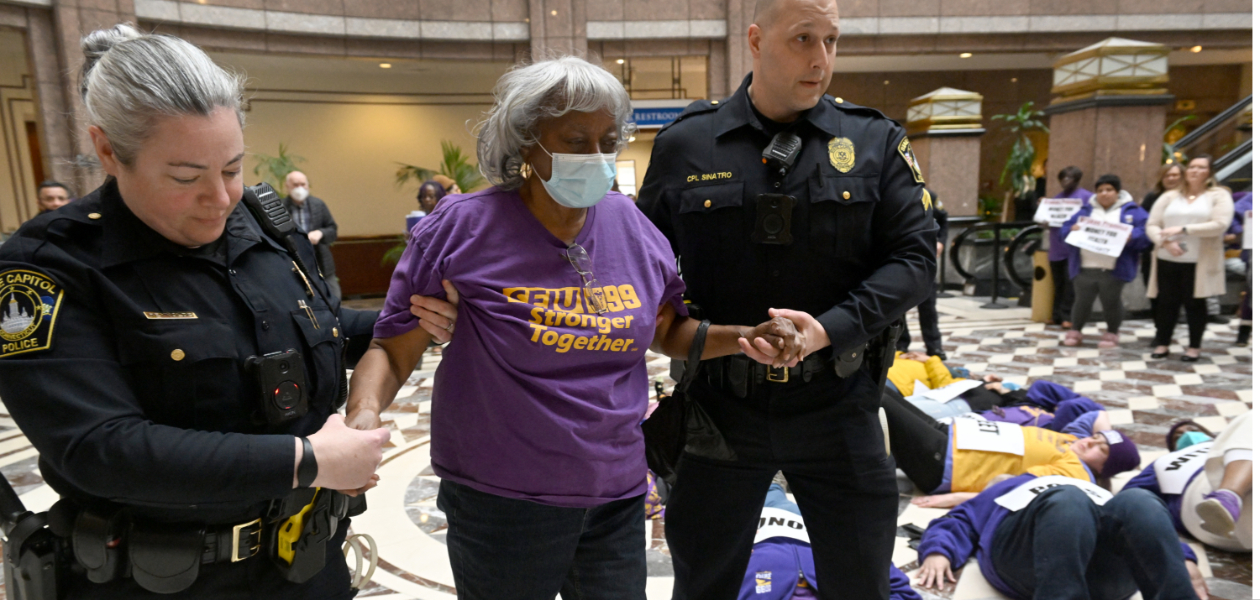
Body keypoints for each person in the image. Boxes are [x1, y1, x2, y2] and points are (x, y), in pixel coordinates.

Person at [345, 56, 803, 600]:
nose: (596, 156)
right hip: (503, 502)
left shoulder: (630, 224)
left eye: (607, 141)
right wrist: (363, 416)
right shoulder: (461, 229)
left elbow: (664, 329)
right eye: (575, 140)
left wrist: (746, 338)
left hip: (616, 493)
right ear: (525, 144)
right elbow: (393, 351)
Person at [0, 24, 391, 598]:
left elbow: (325, 326)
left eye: (232, 168)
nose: (221, 197)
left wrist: (418, 319)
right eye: (186, 177)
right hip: (161, 579)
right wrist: (307, 460)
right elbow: (100, 447)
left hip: (307, 562)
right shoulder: (44, 267)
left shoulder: (256, 224)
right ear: (108, 150)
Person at [632, 0, 937, 596]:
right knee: (703, 582)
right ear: (755, 38)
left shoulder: (873, 141)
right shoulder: (688, 145)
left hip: (840, 401)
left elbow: (917, 259)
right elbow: (641, 267)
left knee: (861, 582)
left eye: (830, 40)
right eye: (803, 38)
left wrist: (824, 329)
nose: (820, 59)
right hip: (719, 408)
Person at [915, 474, 1209, 600]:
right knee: (1067, 500)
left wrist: (1182, 557)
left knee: (1139, 499)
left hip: (1104, 571)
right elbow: (961, 518)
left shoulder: (1092, 489)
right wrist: (939, 550)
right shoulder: (1013, 485)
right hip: (1032, 561)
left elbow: (1140, 527)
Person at [880, 391, 1138, 504]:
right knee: (878, 388)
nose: (1090, 441)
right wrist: (1109, 438)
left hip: (943, 462)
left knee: (874, 398)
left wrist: (957, 499)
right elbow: (1094, 413)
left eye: (1101, 450)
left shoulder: (1077, 473)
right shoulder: (1075, 441)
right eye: (1098, 438)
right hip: (948, 433)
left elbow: (1019, 490)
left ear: (1105, 468)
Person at [740, 482, 921, 600]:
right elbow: (898, 588)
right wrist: (859, 552)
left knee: (749, 490)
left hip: (753, 536)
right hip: (820, 535)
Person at [1146, 155, 1234, 362]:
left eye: (1201, 168)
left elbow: (1220, 225)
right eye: (1192, 167)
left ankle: (1194, 347)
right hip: (1167, 259)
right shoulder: (1170, 196)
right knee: (1166, 304)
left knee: (1195, 305)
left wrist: (1185, 229)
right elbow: (1152, 224)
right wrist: (1165, 242)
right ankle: (1163, 343)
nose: (1194, 171)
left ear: (1209, 173)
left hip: (1198, 262)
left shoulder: (1218, 195)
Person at [1123, 413, 1252, 553]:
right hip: (1215, 516)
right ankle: (1228, 497)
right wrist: (1178, 552)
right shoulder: (1162, 464)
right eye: (1178, 437)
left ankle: (1230, 497)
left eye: (1193, 430)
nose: (1188, 435)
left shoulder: (1234, 441)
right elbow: (1128, 503)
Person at [1060, 174, 1151, 349]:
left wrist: (1132, 236)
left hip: (1114, 268)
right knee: (1081, 301)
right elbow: (1065, 228)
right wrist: (1071, 229)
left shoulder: (1132, 211)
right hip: (1084, 267)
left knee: (1111, 301)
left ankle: (1112, 332)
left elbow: (1145, 230)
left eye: (1109, 189)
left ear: (1117, 192)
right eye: (1100, 190)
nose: (1104, 193)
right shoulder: (1085, 211)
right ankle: (1076, 330)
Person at [896, 188, 947, 358]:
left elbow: (943, 219)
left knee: (928, 307)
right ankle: (900, 345)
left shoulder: (927, 195)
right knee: (896, 306)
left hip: (923, 259)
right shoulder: (891, 193)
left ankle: (934, 346)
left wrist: (941, 241)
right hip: (897, 259)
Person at [1043, 166, 1093, 329]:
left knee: (1070, 283)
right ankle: (1055, 315)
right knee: (1058, 283)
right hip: (1056, 247)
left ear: (1077, 179)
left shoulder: (1087, 197)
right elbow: (1047, 219)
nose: (1065, 182)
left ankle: (1067, 316)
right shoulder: (1057, 199)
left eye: (1069, 178)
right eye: (1062, 178)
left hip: (1073, 248)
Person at [283, 170, 341, 299]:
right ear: (287, 186)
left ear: (308, 185)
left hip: (320, 260)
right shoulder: (281, 207)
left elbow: (332, 229)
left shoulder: (318, 205)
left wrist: (321, 233)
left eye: (303, 184)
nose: (300, 188)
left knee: (333, 297)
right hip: (292, 262)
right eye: (295, 185)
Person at [1141, 162, 1186, 323]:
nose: (1171, 178)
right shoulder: (1152, 198)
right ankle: (1159, 329)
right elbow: (1144, 223)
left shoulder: (1190, 199)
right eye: (1167, 175)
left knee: (1174, 295)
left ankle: (1168, 328)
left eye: (1175, 175)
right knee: (1154, 292)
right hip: (1153, 251)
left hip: (1182, 252)